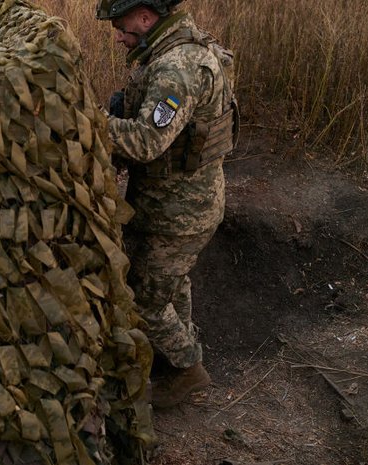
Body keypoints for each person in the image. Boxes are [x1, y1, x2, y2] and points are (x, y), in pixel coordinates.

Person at [96, 0, 238, 408]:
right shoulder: (178, 47)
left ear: (145, 17)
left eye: (122, 27)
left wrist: (88, 121)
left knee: (145, 297)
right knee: (173, 283)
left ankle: (187, 369)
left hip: (179, 213)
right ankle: (177, 348)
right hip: (176, 203)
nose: (120, 37)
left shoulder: (177, 68)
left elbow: (145, 141)